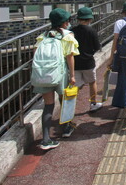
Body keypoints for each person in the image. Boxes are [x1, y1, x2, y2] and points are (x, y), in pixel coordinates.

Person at [33, 8, 79, 150]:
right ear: (65, 23)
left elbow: (35, 54)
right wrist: (72, 75)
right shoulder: (67, 36)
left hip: (44, 74)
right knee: (64, 100)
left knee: (48, 106)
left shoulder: (42, 37)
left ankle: (46, 139)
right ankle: (65, 128)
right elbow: (70, 57)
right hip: (61, 74)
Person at [71, 7, 103, 115]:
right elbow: (97, 46)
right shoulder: (92, 31)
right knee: (92, 82)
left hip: (75, 63)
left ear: (78, 19)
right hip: (89, 62)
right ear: (90, 19)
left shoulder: (72, 31)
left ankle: (71, 107)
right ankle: (93, 104)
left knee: (75, 86)